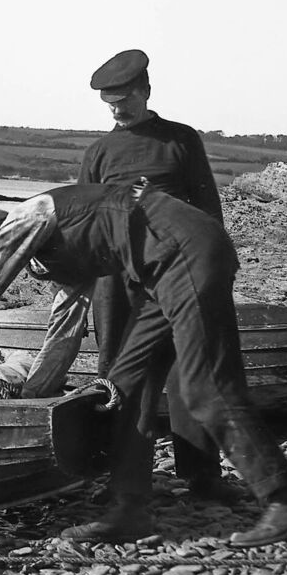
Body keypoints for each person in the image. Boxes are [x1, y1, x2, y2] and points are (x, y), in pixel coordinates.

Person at [0, 183, 287, 546]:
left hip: (184, 248)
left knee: (204, 388)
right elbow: (65, 328)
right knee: (124, 384)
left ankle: (285, 499)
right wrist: (33, 398)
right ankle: (130, 511)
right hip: (154, 271)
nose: (3, 269)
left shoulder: (26, 218)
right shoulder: (55, 254)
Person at [80, 49, 234, 504]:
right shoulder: (99, 152)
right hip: (116, 278)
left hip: (177, 271)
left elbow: (209, 212)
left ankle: (203, 479)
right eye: (109, 103)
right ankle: (121, 481)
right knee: (119, 378)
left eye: (124, 99)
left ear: (146, 91)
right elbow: (87, 222)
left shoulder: (181, 141)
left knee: (192, 371)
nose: (117, 110)